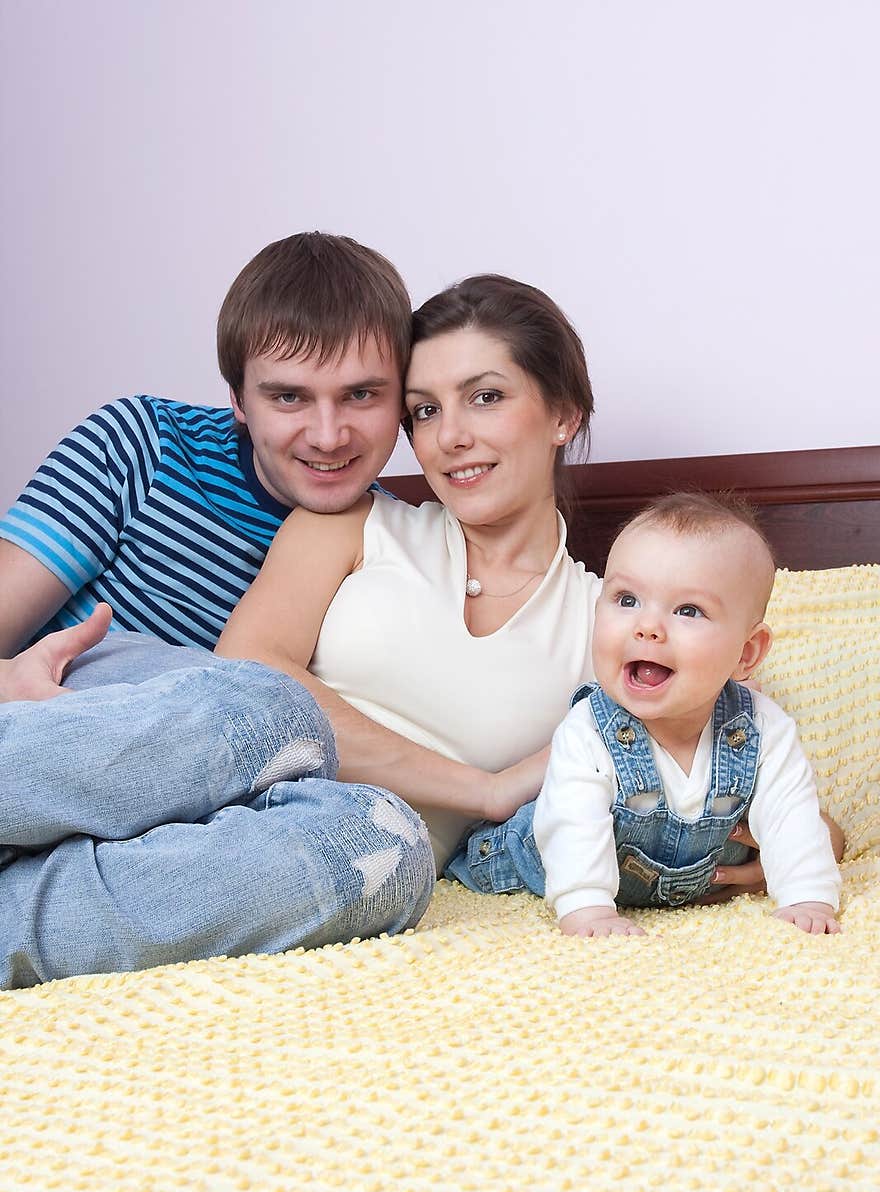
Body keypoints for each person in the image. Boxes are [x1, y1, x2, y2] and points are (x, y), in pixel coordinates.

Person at [0, 275, 791, 987]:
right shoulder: (353, 521)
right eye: (424, 410)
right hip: (187, 740)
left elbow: (727, 747)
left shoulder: (611, 624)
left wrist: (777, 835)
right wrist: (484, 791)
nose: (450, 436)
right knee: (271, 706)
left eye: (485, 397)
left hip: (303, 836)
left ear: (563, 412)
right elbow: (247, 666)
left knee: (390, 858)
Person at [0, 231, 411, 700]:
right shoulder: (142, 444)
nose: (327, 436)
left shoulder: (403, 547)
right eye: (288, 397)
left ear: (403, 398)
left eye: (360, 395)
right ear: (237, 398)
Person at [445, 493, 842, 937]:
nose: (647, 626)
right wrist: (588, 909)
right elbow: (573, 825)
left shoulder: (761, 730)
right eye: (627, 599)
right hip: (529, 858)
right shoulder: (591, 728)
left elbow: (792, 817)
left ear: (746, 654)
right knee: (538, 837)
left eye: (688, 610)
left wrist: (807, 896)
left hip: (660, 886)